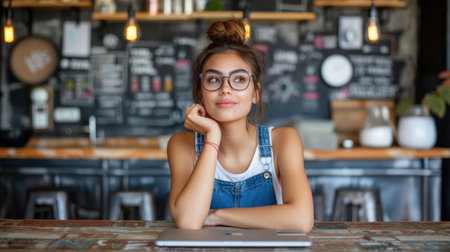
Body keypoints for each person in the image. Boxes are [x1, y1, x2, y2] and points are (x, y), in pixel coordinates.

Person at [167, 19, 314, 232]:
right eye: (213, 80)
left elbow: (301, 219)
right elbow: (189, 222)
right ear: (200, 93)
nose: (226, 89)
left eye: (238, 80)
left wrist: (217, 216)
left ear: (255, 93)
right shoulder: (181, 145)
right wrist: (212, 136)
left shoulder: (283, 140)